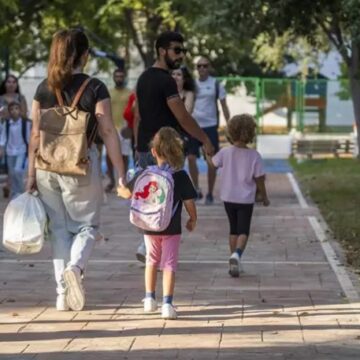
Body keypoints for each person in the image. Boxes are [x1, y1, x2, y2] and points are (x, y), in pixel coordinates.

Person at [26, 28, 126, 311]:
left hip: (46, 165)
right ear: (84, 55)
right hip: (81, 163)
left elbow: (34, 134)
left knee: (58, 229)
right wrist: (119, 174)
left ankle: (61, 294)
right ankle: (76, 267)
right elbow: (107, 130)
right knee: (87, 225)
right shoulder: (95, 88)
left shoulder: (43, 87)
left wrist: (30, 176)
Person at [134, 31, 214, 263]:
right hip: (164, 152)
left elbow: (139, 116)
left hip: (144, 150)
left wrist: (138, 148)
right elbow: (183, 117)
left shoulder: (143, 78)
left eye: (183, 51)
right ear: (162, 50)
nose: (181, 55)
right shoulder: (165, 80)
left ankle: (148, 247)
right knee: (169, 202)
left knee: (150, 200)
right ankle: (152, 249)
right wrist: (205, 139)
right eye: (177, 50)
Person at [118, 127, 197, 319]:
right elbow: (189, 203)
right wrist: (193, 219)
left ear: (153, 152)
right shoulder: (181, 176)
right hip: (172, 228)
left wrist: (121, 187)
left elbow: (127, 193)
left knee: (151, 261)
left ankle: (149, 299)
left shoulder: (145, 173)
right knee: (169, 264)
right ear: (178, 152)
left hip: (149, 226)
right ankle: (167, 304)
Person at [208, 114, 270, 277]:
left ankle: (233, 262)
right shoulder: (254, 156)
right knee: (244, 230)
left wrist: (207, 154)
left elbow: (212, 165)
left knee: (233, 229)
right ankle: (237, 255)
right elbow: (259, 179)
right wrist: (264, 197)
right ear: (251, 133)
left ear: (231, 132)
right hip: (245, 199)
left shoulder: (225, 152)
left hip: (228, 197)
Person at [189, 56, 230, 204]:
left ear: (209, 67)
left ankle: (210, 194)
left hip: (210, 126)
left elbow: (224, 106)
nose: (202, 69)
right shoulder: (192, 84)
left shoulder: (216, 84)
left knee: (211, 162)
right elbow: (187, 104)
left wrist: (229, 125)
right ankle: (196, 189)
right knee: (191, 158)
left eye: (205, 66)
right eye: (199, 66)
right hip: (193, 126)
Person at [0, 74, 28, 198]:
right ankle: (9, 185)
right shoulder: (1, 98)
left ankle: (13, 189)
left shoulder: (21, 98)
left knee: (17, 169)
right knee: (9, 166)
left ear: (16, 84)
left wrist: (7, 115)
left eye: (13, 82)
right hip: (3, 131)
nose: (11, 84)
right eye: (8, 82)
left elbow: (24, 114)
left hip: (16, 133)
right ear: (4, 84)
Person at [107, 68, 132, 192]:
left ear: (124, 77)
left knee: (125, 155)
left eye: (121, 76)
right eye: (117, 76)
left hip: (125, 128)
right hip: (111, 128)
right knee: (109, 155)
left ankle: (123, 180)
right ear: (113, 78)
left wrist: (130, 128)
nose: (119, 78)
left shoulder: (130, 93)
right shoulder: (108, 92)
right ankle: (111, 181)